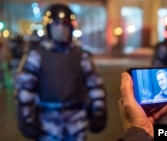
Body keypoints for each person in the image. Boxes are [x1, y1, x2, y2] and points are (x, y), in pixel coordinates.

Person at [14, 3, 107, 141]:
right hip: (47, 125)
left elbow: (95, 86)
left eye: (65, 25)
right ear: (48, 28)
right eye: (57, 25)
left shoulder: (81, 56)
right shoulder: (37, 57)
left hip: (77, 123)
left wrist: (99, 111)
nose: (61, 29)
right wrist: (27, 119)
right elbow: (25, 91)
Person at [117, 72, 167, 141]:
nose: (160, 83)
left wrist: (138, 130)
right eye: (158, 81)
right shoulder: (156, 98)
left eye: (162, 79)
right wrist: (140, 128)